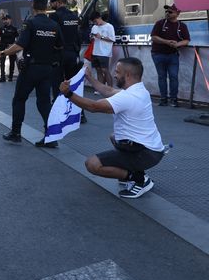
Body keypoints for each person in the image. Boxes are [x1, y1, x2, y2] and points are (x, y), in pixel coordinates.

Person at [60, 57, 165, 198]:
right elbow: (108, 90)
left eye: (117, 72)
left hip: (145, 153)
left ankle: (138, 178)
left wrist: (68, 94)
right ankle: (133, 171)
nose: (114, 75)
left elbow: (94, 107)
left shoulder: (129, 97)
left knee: (92, 164)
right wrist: (90, 78)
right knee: (114, 136)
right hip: (151, 148)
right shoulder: (139, 90)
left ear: (127, 75)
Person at [0, 0, 63, 148]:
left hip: (31, 69)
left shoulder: (30, 24)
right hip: (47, 69)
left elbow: (19, 45)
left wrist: (1, 53)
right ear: (47, 6)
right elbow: (59, 46)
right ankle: (51, 137)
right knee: (44, 103)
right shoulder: (54, 25)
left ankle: (16, 133)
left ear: (33, 6)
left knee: (19, 99)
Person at [150, 3, 190, 107]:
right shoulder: (160, 23)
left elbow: (186, 40)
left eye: (170, 11)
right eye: (166, 11)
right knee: (161, 77)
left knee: (174, 77)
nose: (167, 13)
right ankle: (163, 99)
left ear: (178, 13)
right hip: (158, 54)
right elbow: (153, 37)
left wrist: (177, 44)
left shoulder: (182, 26)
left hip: (173, 55)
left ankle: (173, 99)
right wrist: (167, 42)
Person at [90, 11, 115, 89]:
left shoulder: (109, 26)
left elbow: (112, 39)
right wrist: (91, 37)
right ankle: (100, 89)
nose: (95, 23)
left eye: (95, 21)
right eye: (93, 22)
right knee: (98, 70)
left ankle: (110, 89)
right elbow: (91, 39)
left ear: (99, 18)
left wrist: (101, 37)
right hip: (95, 51)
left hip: (105, 52)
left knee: (105, 70)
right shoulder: (94, 27)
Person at [0, 14, 19, 82]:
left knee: (12, 62)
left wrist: (13, 45)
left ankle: (10, 77)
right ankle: (2, 77)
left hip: (11, 47)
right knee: (2, 62)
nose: (5, 21)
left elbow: (18, 39)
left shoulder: (14, 29)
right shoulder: (1, 28)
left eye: (6, 19)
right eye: (4, 19)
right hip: (3, 47)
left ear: (10, 20)